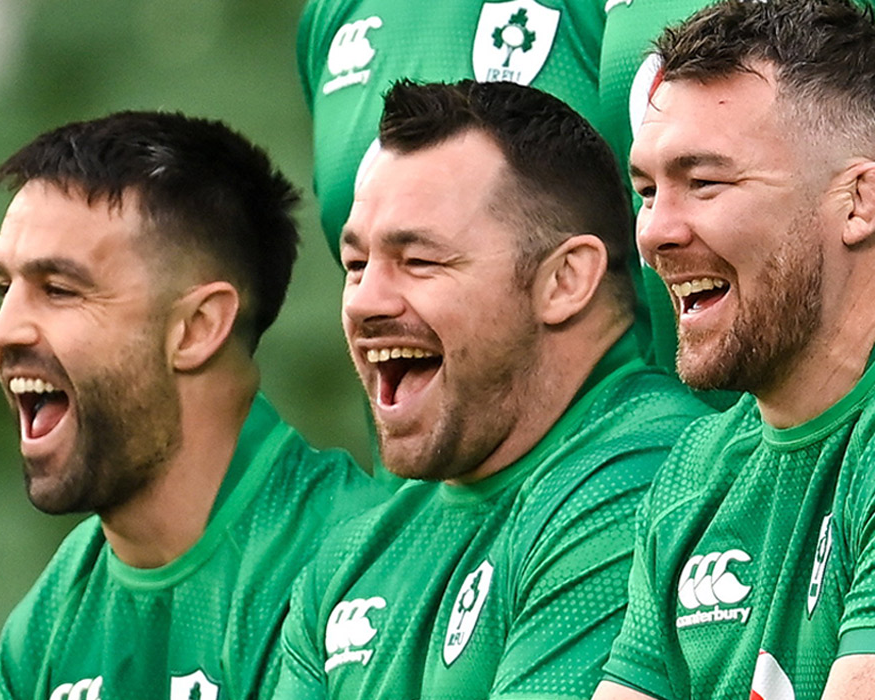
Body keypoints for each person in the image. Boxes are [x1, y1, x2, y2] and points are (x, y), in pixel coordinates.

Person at [273, 79, 710, 699]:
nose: (365, 301)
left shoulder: (652, 480)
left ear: (565, 279)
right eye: (356, 265)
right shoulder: (349, 563)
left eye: (420, 260)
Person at [0, 111, 386, 700]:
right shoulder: (43, 632)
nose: (2, 330)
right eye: (4, 289)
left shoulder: (359, 563)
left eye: (59, 290)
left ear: (197, 327)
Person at [594, 2, 875, 698]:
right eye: (646, 190)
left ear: (859, 200)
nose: (654, 231)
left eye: (705, 183)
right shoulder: (693, 473)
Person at [297, 0, 663, 484]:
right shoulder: (332, 16)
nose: (366, 298)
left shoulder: (612, 17)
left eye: (422, 259)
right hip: (427, 518)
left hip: (617, 485)